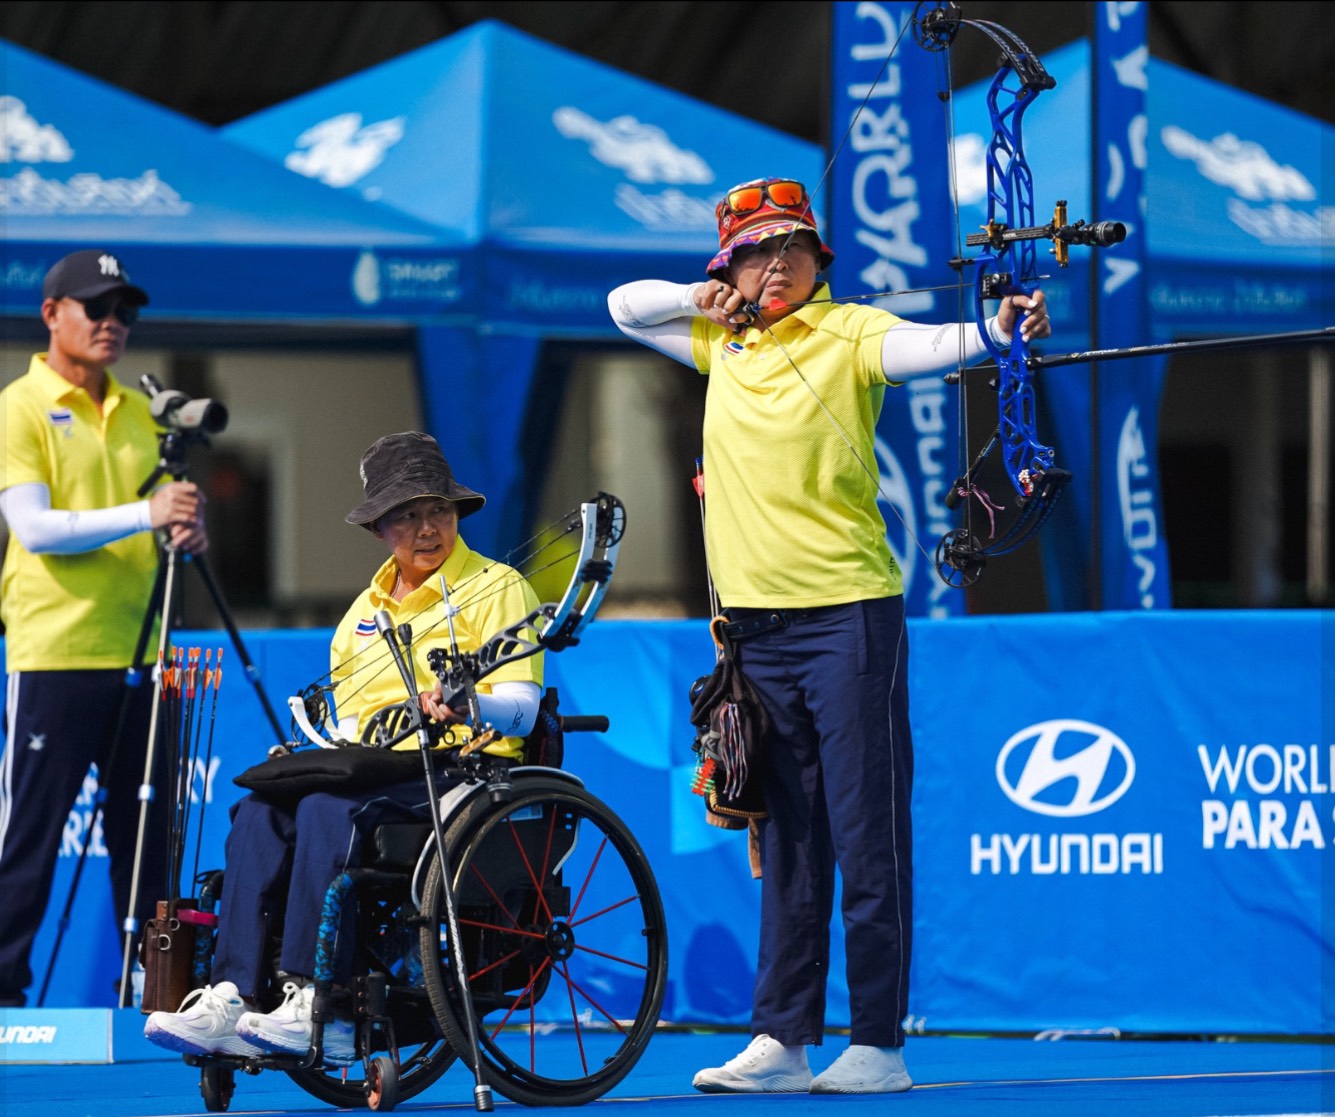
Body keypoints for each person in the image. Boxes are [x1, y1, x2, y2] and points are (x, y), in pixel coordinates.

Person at [608, 178, 1050, 1095]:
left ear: (819, 261)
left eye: (793, 250)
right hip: (753, 633)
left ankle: (878, 1043)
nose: (775, 266)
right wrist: (698, 297)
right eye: (754, 254)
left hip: (847, 618)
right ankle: (782, 1038)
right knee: (788, 839)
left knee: (864, 831)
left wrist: (998, 328)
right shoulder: (718, 340)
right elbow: (621, 307)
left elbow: (930, 344)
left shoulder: (848, 331)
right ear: (727, 270)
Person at [143, 431, 542, 1064]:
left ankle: (320, 1007)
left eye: (438, 509)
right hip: (381, 768)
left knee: (328, 810)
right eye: (406, 515)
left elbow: (523, 707)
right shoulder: (360, 614)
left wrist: (469, 703)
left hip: (464, 772)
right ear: (379, 528)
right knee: (261, 811)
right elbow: (353, 731)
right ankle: (232, 996)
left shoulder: (498, 586)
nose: (427, 528)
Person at [0, 250, 208, 1007]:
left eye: (124, 311)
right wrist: (147, 513)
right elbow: (34, 527)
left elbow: (153, 522)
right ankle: (2, 994)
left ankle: (153, 993)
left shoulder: (141, 411)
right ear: (51, 313)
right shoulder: (19, 406)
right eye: (96, 307)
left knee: (148, 837)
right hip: (55, 652)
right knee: (28, 836)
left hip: (144, 649)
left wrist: (185, 532)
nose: (113, 323)